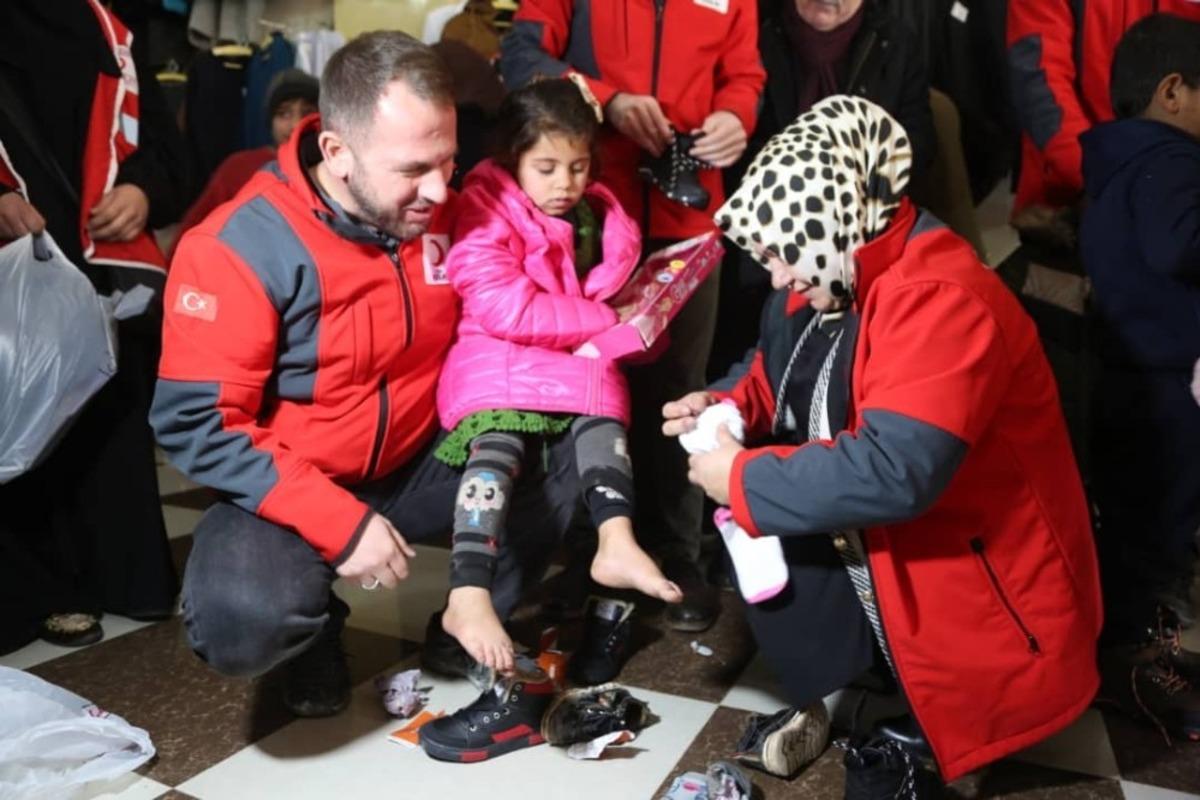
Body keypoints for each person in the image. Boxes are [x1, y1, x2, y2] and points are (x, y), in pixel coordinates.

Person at [664, 96, 1102, 786]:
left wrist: (741, 479)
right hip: (902, 549)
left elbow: (897, 470)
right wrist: (722, 404)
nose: (777, 277)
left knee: (770, 503)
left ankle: (928, 729)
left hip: (975, 572)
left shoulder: (941, 294)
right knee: (773, 515)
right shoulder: (827, 264)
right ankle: (862, 691)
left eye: (780, 254)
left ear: (826, 218)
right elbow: (774, 370)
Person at [150, 32, 580, 719]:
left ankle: (467, 617)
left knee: (568, 442)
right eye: (413, 168)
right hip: (295, 479)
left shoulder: (451, 213)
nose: (439, 188)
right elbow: (194, 424)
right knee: (241, 621)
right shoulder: (240, 246)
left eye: (448, 161)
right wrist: (339, 523)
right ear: (337, 152)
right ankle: (315, 631)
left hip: (421, 460)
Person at [500, 0, 765, 634]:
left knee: (682, 392)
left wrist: (736, 115)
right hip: (588, 213)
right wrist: (604, 101)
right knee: (585, 387)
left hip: (690, 219)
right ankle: (585, 551)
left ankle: (679, 552)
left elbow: (746, 74)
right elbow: (521, 56)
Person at [434, 79, 683, 673]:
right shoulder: (484, 208)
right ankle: (467, 593)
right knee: (497, 446)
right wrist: (604, 319)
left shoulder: (599, 216)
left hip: (572, 360)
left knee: (604, 422)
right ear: (512, 159)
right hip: (499, 362)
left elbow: (611, 303)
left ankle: (616, 541)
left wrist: (642, 326)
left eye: (577, 167)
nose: (564, 184)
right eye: (545, 168)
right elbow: (506, 309)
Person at [0, 0, 185, 654]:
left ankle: (120, 578)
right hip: (12, 275)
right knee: (18, 422)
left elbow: (168, 153)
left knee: (106, 415)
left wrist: (142, 191)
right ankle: (40, 589)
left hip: (101, 271)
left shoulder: (109, 27)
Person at [1079, 13, 1200, 736]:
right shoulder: (1170, 160)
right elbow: (1178, 246)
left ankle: (1147, 655)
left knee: (1141, 529)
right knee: (1156, 536)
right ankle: (1139, 670)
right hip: (1160, 386)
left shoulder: (1120, 160)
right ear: (1173, 91)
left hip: (1130, 375)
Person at [711, 0, 936, 381]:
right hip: (765, 231)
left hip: (861, 232)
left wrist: (850, 186)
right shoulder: (759, 32)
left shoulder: (895, 39)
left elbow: (918, 144)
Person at [170, 69, 319, 251]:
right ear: (270, 121)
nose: (296, 124)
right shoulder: (238, 168)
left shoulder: (333, 172)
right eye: (284, 114)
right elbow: (192, 230)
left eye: (307, 112)